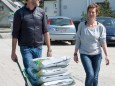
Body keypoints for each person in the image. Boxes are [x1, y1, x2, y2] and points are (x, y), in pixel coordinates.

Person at [74, 3, 109, 86]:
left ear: (96, 13)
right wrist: (75, 53)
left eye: (93, 12)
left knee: (95, 77)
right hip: (85, 54)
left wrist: (107, 55)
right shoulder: (82, 25)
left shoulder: (101, 27)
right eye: (89, 12)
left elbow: (103, 42)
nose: (91, 14)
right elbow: (78, 40)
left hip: (97, 55)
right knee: (90, 75)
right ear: (87, 13)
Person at [11, 0, 52, 71]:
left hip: (38, 48)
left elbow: (46, 31)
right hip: (26, 48)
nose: (39, 0)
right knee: (30, 70)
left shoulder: (42, 12)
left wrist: (49, 49)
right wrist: (13, 52)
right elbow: (15, 34)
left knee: (38, 71)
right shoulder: (19, 13)